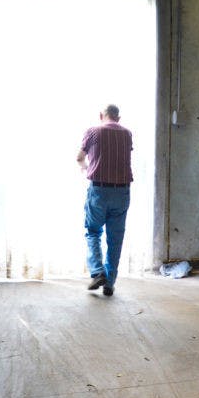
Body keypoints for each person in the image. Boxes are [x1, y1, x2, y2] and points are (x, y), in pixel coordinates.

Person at [76, 104, 133, 296]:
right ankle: (109, 283)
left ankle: (97, 272)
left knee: (93, 232)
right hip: (122, 191)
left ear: (102, 115)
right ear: (118, 117)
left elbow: (79, 158)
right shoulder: (127, 134)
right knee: (115, 239)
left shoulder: (93, 131)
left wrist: (85, 168)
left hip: (99, 190)